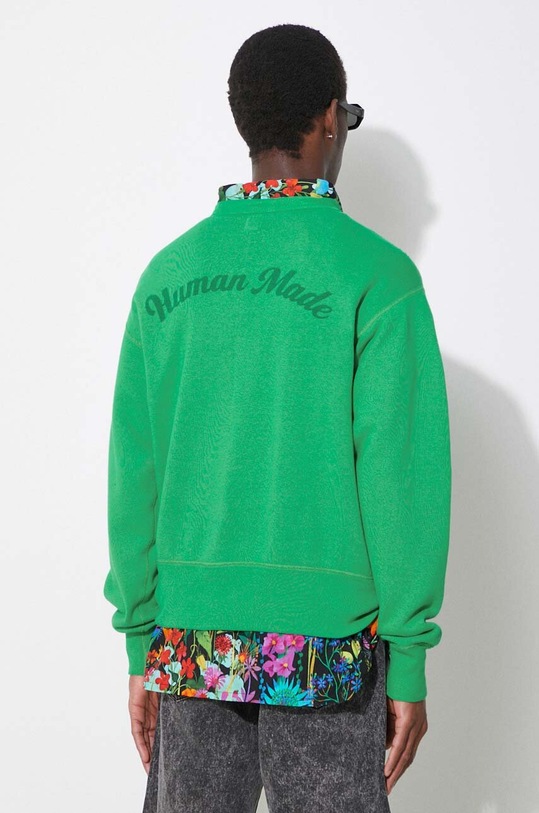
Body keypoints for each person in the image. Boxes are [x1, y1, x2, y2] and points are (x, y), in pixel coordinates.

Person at [103, 23, 452, 813]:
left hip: (191, 640)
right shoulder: (378, 276)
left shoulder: (168, 277)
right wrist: (408, 659)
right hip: (325, 647)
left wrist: (140, 642)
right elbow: (400, 482)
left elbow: (135, 473)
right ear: (329, 118)